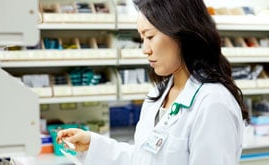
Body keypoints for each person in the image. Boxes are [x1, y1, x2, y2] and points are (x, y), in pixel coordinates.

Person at [56, 0, 250, 164]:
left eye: (150, 36)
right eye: (142, 39)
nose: (145, 49)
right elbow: (143, 157)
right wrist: (93, 144)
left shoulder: (213, 103)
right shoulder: (159, 94)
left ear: (181, 33)